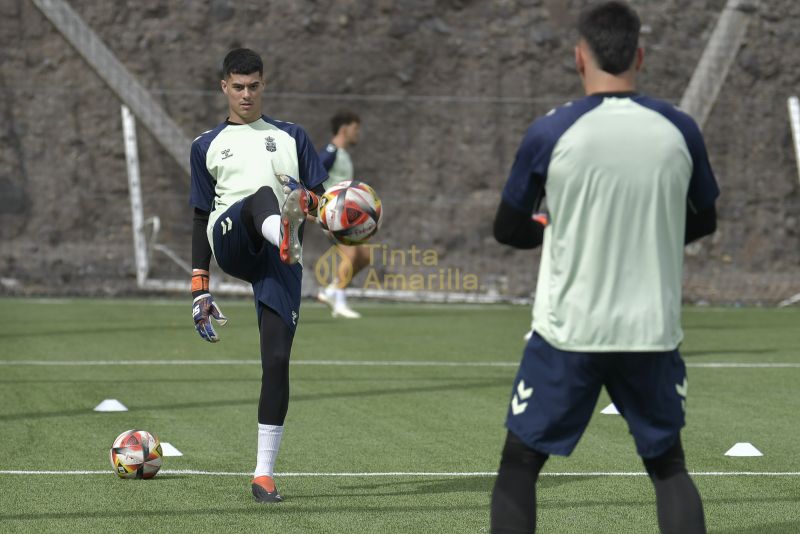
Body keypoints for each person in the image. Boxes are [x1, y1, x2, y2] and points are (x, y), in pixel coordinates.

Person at [489, 2, 718, 533]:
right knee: (668, 468)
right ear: (640, 54)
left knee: (520, 466)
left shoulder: (552, 131)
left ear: (579, 58)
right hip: (651, 331)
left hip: (570, 331)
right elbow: (705, 221)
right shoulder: (679, 128)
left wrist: (554, 229)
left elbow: (508, 228)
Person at [189, 48, 328, 504]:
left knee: (277, 361)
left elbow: (322, 204)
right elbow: (197, 218)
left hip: (281, 258)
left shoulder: (293, 137)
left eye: (254, 86)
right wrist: (199, 288)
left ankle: (263, 475)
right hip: (232, 235)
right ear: (224, 88)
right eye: (238, 86)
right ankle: (280, 228)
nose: (246, 94)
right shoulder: (206, 145)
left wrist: (330, 212)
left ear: (263, 84)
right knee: (262, 195)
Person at [315, 110, 369, 318]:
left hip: (346, 214)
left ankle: (331, 291)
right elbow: (312, 176)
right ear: (345, 129)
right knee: (351, 254)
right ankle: (339, 302)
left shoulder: (344, 154)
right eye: (356, 129)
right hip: (332, 213)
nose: (358, 133)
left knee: (364, 256)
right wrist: (317, 206)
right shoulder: (330, 152)